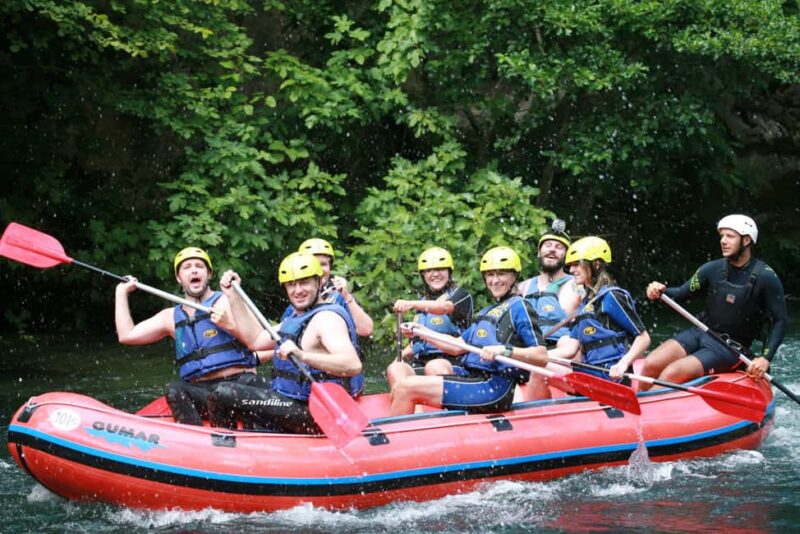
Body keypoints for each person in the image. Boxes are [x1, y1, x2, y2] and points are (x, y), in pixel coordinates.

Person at [207, 252, 363, 433]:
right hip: (292, 401)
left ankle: (225, 446)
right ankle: (255, 434)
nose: (298, 290)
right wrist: (234, 297)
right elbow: (255, 340)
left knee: (221, 393)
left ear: (319, 282)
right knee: (246, 381)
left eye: (304, 282)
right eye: (291, 284)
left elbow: (352, 364)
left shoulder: (326, 319)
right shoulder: (296, 318)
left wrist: (302, 355)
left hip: (315, 412)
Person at [388, 246, 547, 416]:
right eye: (490, 275)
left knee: (406, 388)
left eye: (501, 274)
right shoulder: (486, 311)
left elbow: (541, 356)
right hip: (472, 376)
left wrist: (505, 350)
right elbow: (457, 346)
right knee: (405, 382)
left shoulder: (520, 306)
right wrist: (422, 331)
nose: (495, 280)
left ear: (515, 276)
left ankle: (393, 440)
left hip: (493, 387)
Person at [114, 247, 261, 425]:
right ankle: (194, 439)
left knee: (225, 392)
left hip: (240, 386)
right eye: (187, 267)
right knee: (174, 388)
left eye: (199, 266)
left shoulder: (229, 300)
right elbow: (126, 335)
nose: (193, 270)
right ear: (179, 278)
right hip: (205, 392)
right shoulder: (170, 317)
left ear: (209, 274)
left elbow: (261, 340)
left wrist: (230, 325)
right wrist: (121, 293)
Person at [642, 214, 787, 386]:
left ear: (746, 240)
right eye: (722, 236)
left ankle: (656, 408)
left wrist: (765, 358)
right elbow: (681, 293)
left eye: (730, 236)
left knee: (671, 374)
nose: (723, 241)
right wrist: (661, 290)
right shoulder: (711, 269)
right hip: (702, 331)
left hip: (730, 348)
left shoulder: (766, 277)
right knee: (651, 364)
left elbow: (781, 320)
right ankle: (638, 408)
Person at [551, 236, 651, 383]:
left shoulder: (611, 296)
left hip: (612, 377)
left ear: (596, 264)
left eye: (577, 264)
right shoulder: (585, 304)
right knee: (543, 363)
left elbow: (644, 338)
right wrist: (535, 356)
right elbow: (571, 348)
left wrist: (623, 363)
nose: (571, 270)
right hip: (590, 374)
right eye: (570, 265)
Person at [386, 247, 473, 389]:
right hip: (421, 363)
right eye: (430, 271)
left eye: (441, 269)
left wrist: (411, 304)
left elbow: (444, 307)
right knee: (396, 369)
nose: (435, 274)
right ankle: (404, 408)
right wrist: (401, 356)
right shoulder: (422, 303)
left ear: (449, 272)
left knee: (434, 366)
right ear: (423, 275)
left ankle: (446, 406)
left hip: (453, 364)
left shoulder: (460, 296)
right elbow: (418, 343)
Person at [296, 238, 373, 337]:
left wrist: (346, 296)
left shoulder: (340, 298)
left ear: (330, 268)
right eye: (313, 264)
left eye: (323, 264)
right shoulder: (298, 302)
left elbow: (366, 330)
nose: (319, 269)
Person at [517, 229, 581, 348]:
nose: (552, 249)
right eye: (548, 245)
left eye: (559, 247)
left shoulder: (578, 285)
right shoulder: (522, 287)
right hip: (525, 352)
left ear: (567, 255)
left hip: (561, 352)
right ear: (539, 252)